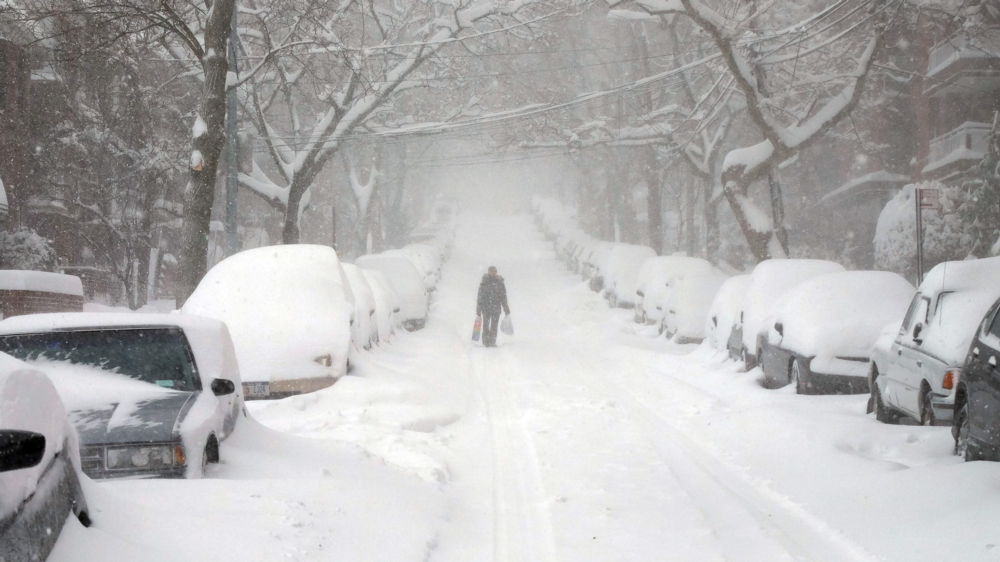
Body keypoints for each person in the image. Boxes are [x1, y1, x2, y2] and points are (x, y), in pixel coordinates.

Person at [476, 266, 510, 347]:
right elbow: (480, 296)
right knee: (486, 324)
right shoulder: (484, 282)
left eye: (494, 271)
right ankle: (485, 341)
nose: (493, 273)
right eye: (491, 271)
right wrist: (479, 309)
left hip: (496, 308)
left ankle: (492, 341)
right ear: (488, 272)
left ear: (496, 272)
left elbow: (503, 297)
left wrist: (506, 308)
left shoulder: (500, 283)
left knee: (494, 325)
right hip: (486, 307)